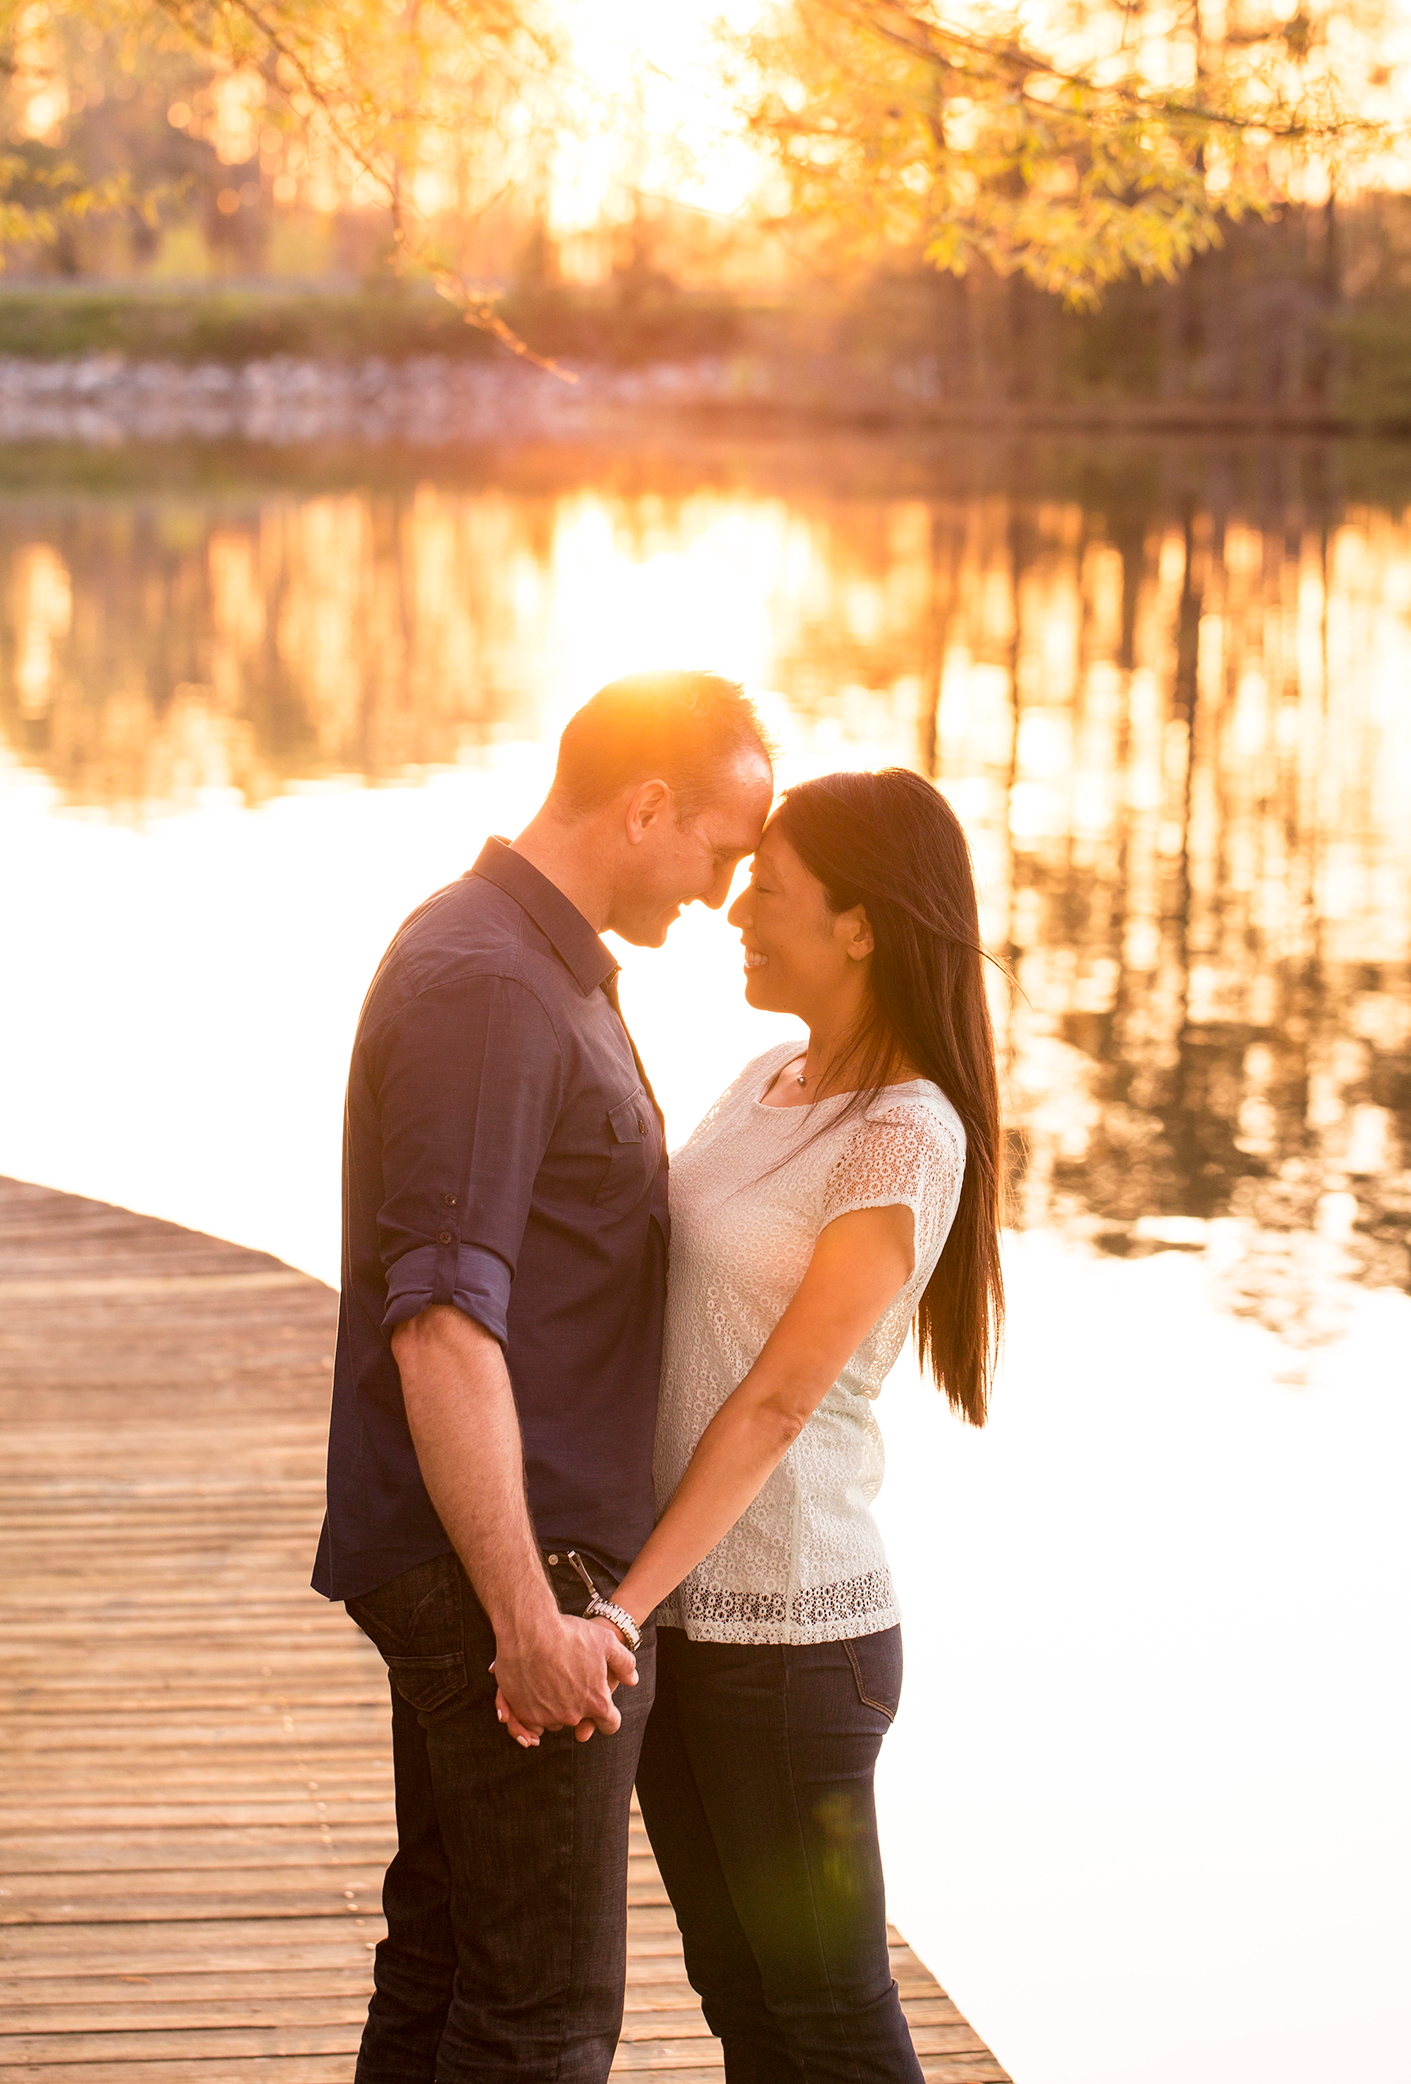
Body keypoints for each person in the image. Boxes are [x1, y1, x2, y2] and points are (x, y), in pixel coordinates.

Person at [500, 766, 1005, 2084]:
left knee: (830, 2011)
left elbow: (779, 1398)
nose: (736, 910)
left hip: (792, 1639)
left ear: (859, 926)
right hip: (682, 1618)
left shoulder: (904, 1137)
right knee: (745, 2001)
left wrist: (619, 1611)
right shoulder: (767, 1074)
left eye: (769, 891)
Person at [311, 670, 774, 2083]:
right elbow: (441, 1324)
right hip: (512, 1571)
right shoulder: (493, 986)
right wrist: (530, 1613)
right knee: (544, 2022)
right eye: (723, 844)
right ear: (646, 808)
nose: (727, 888)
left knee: (453, 1961)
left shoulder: (525, 964)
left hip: (505, 1555)